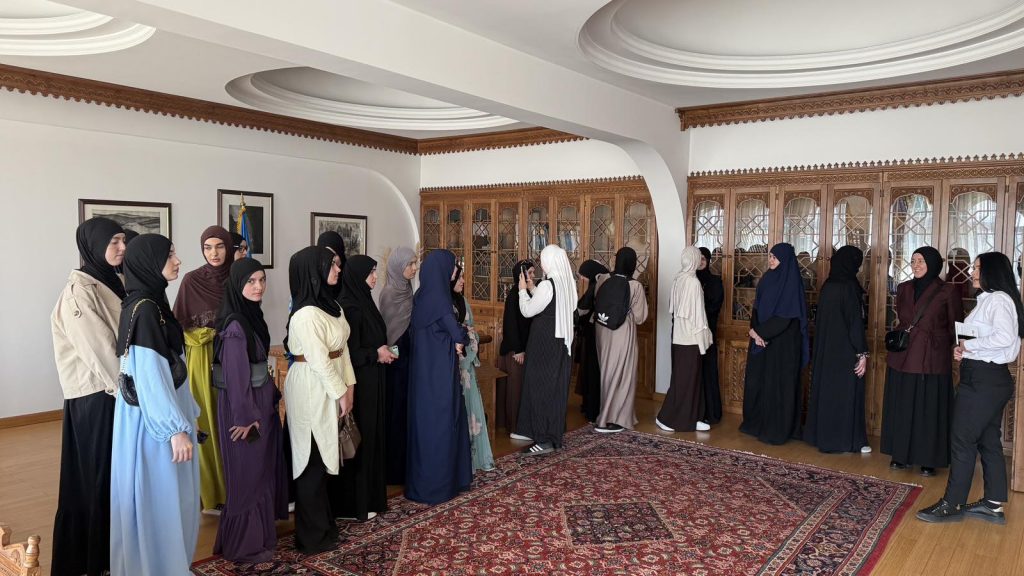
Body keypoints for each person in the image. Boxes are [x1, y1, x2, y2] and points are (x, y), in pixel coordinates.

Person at [110, 234, 200, 576]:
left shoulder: (147, 302)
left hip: (152, 417)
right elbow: (150, 375)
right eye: (169, 255)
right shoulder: (146, 308)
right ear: (149, 263)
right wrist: (174, 429)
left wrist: (187, 415)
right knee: (161, 499)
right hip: (155, 426)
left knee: (158, 498)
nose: (177, 261)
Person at [917, 252, 1024, 524]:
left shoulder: (998, 300)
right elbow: (986, 339)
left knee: (962, 440)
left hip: (983, 381)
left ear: (992, 272)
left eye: (977, 268)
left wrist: (969, 345)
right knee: (988, 441)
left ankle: (952, 504)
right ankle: (992, 504)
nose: (972, 272)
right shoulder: (989, 299)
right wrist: (964, 349)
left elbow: (1005, 338)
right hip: (986, 378)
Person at [50, 217, 126, 576]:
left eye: (123, 240)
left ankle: (111, 556)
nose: (122, 248)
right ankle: (93, 562)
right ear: (94, 246)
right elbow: (101, 352)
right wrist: (132, 395)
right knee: (96, 478)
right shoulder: (79, 292)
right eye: (114, 242)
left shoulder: (110, 280)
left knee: (109, 477)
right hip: (97, 397)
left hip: (113, 393)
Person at [211, 258, 288, 563]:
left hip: (259, 407)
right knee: (247, 476)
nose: (258, 287)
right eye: (251, 282)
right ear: (237, 285)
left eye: (262, 280)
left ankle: (258, 538)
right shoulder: (235, 325)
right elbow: (235, 376)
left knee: (260, 474)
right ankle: (244, 546)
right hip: (244, 412)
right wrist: (245, 418)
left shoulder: (251, 316)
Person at [282, 246, 356, 553]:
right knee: (311, 458)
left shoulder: (332, 306)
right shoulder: (305, 315)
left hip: (332, 383)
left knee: (326, 457)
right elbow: (319, 360)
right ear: (314, 271)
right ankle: (312, 536)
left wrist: (349, 388)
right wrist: (340, 392)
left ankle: (325, 526)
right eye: (331, 265)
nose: (338, 269)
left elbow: (342, 350)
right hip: (311, 388)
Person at [881, 246, 962, 477]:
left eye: (921, 261)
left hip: (932, 358)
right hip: (904, 356)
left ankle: (929, 459)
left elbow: (956, 325)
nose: (915, 265)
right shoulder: (904, 288)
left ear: (933, 264)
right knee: (903, 405)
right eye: (913, 260)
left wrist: (945, 344)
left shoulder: (947, 290)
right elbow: (902, 319)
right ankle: (900, 455)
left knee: (929, 408)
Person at [173, 225, 234, 513]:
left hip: (234, 357)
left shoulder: (238, 277)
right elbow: (179, 326)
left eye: (219, 246)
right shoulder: (192, 281)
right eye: (208, 247)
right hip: (202, 359)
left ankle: (238, 487)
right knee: (207, 421)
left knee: (234, 420)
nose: (214, 253)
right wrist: (207, 335)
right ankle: (213, 494)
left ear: (229, 248)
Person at [332, 255, 395, 521]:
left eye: (375, 271)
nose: (375, 277)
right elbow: (349, 353)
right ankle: (353, 504)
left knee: (373, 438)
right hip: (359, 383)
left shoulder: (365, 302)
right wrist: (375, 353)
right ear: (357, 276)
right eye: (370, 272)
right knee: (360, 439)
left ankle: (371, 498)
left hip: (374, 379)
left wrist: (381, 351)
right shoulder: (349, 306)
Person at [406, 250, 471, 505]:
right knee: (443, 424)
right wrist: (462, 335)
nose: (455, 272)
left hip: (422, 374)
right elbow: (458, 334)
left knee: (425, 425)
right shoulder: (442, 301)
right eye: (453, 267)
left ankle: (422, 483)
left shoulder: (420, 296)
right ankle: (440, 486)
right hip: (441, 374)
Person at [803, 246, 871, 454]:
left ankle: (822, 437)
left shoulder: (828, 285)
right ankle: (845, 441)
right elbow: (854, 323)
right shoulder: (849, 287)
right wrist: (862, 353)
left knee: (827, 393)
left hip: (826, 350)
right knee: (845, 395)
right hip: (845, 352)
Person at [739, 243, 809, 445]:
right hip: (762, 341)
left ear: (785, 260)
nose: (771, 260)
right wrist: (754, 331)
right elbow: (756, 307)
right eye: (770, 256)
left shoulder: (792, 283)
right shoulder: (767, 279)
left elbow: (785, 317)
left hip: (783, 345)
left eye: (775, 257)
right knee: (759, 383)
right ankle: (757, 424)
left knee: (778, 386)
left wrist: (760, 332)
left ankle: (778, 429)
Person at [516, 244, 578, 455]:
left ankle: (542, 439)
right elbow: (555, 304)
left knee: (539, 389)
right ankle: (553, 437)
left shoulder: (547, 285)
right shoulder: (567, 284)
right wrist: (534, 289)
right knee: (555, 390)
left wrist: (522, 291)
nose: (541, 263)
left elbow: (527, 311)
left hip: (543, 343)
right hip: (561, 343)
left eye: (543, 259)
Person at [656, 246, 713, 432]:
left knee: (691, 379)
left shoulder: (679, 278)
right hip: (690, 338)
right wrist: (704, 338)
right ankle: (666, 418)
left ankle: (693, 417)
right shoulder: (692, 282)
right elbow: (699, 316)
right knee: (684, 380)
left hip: (680, 337)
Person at [594, 247, 649, 433]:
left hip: (602, 331)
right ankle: (618, 418)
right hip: (623, 332)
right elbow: (640, 317)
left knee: (606, 372)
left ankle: (604, 412)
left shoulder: (603, 279)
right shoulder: (635, 286)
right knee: (624, 374)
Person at [378, 246, 417, 485]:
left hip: (409, 363)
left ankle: (405, 466)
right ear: (397, 266)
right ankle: (392, 470)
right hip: (394, 365)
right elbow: (387, 335)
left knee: (407, 416)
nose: (414, 268)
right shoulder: (389, 294)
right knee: (395, 415)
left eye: (415, 263)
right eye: (410, 264)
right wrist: (396, 357)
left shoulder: (408, 291)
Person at [452, 265, 496, 471]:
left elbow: (471, 330)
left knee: (472, 409)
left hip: (466, 367)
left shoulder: (463, 301)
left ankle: (474, 459)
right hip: (451, 367)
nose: (463, 281)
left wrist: (469, 336)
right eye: (459, 277)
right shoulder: (443, 303)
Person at [498, 259, 536, 437]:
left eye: (534, 272)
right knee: (515, 390)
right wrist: (518, 350)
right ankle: (515, 427)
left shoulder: (527, 293)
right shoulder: (515, 295)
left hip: (524, 349)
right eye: (530, 273)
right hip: (515, 352)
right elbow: (511, 325)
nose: (533, 276)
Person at [575, 259, 608, 423]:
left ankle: (592, 408)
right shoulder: (600, 282)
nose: (582, 279)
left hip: (594, 335)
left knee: (593, 370)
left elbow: (583, 308)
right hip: (596, 334)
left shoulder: (598, 285)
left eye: (583, 275)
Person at [697, 247, 724, 425]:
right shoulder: (689, 280)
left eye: (703, 260)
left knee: (708, 371)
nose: (700, 263)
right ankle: (695, 410)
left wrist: (699, 315)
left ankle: (710, 412)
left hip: (707, 332)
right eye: (698, 259)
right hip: (691, 333)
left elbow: (715, 307)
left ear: (708, 261)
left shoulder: (714, 282)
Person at [317, 231, 348, 301]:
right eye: (325, 253)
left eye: (334, 254)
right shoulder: (315, 279)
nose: (329, 258)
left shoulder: (349, 279)